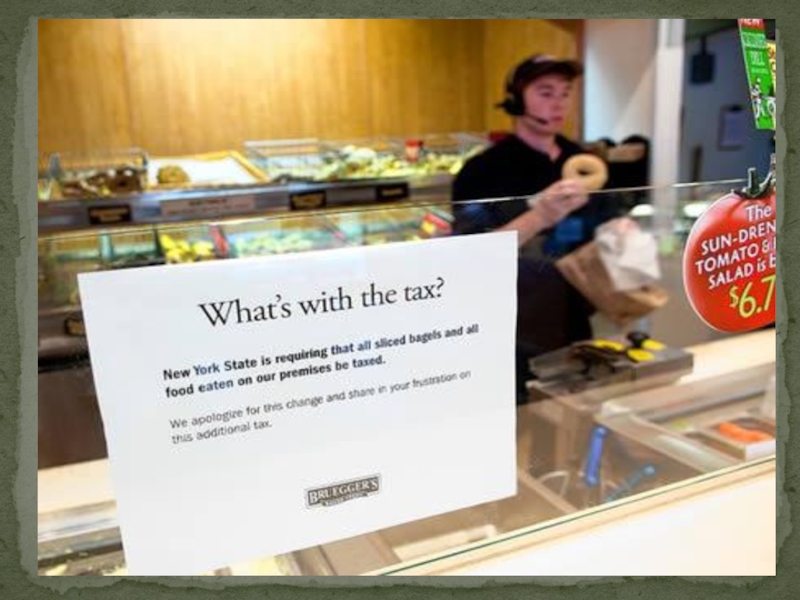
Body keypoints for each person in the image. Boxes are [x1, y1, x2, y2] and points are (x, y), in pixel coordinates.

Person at [451, 54, 622, 403]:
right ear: (516, 99)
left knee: (576, 409)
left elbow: (602, 224)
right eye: (545, 92)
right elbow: (468, 256)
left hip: (576, 313)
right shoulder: (482, 170)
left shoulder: (583, 161)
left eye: (565, 92)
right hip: (512, 323)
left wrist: (619, 231)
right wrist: (539, 216)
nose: (559, 103)